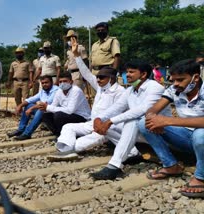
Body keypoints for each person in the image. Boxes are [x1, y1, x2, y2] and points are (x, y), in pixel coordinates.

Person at [90, 60, 171, 180]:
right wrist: (99, 119)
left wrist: (110, 121)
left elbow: (143, 110)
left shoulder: (155, 87)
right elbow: (117, 107)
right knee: (107, 125)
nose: (127, 74)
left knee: (132, 120)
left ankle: (113, 166)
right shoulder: (130, 90)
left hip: (160, 131)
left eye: (131, 72)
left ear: (143, 75)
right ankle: (131, 153)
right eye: (127, 72)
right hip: (142, 130)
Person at [47, 37, 125, 161]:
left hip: (108, 127)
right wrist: (76, 54)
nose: (98, 80)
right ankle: (67, 150)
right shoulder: (100, 87)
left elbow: (119, 112)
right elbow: (86, 73)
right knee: (68, 127)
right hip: (91, 123)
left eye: (102, 77)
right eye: (98, 77)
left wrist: (103, 123)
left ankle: (69, 150)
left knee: (79, 144)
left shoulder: (121, 92)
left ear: (111, 78)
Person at [138, 59, 204, 198]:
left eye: (180, 80)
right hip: (186, 138)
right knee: (143, 123)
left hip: (201, 137)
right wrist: (152, 119)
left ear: (196, 78)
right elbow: (154, 108)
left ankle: (200, 177)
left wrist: (167, 121)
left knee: (200, 135)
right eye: (173, 80)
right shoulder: (174, 90)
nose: (176, 84)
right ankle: (171, 165)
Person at [7, 75, 59, 140]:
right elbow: (31, 99)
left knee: (41, 110)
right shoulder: (43, 91)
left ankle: (27, 133)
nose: (44, 84)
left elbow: (46, 104)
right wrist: (20, 106)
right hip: (46, 112)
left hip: (55, 115)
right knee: (28, 105)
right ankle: (20, 129)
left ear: (51, 82)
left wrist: (31, 109)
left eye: (46, 82)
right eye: (42, 83)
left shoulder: (56, 90)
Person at [38, 72, 91, 136]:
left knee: (58, 115)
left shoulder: (76, 91)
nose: (62, 83)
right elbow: (53, 106)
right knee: (45, 115)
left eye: (65, 81)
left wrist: (48, 107)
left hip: (82, 117)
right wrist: (44, 108)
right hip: (68, 115)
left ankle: (64, 135)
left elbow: (70, 110)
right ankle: (58, 134)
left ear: (71, 82)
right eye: (60, 82)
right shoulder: (59, 92)